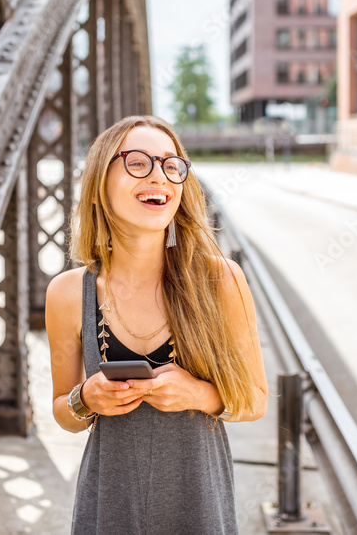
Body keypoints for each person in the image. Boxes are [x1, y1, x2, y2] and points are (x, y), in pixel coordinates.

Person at [45, 115, 268, 535]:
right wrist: (85, 399)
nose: (159, 177)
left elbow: (255, 401)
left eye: (171, 165)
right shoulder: (67, 293)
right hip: (109, 505)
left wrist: (199, 393)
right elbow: (63, 412)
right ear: (98, 184)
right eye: (137, 162)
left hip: (198, 505)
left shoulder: (221, 280)